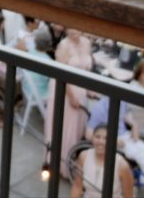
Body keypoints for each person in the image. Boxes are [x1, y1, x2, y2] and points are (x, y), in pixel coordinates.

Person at [46, 28, 92, 178]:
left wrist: (88, 89)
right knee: (65, 129)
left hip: (81, 90)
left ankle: (71, 162)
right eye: (70, 27)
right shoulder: (63, 45)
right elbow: (60, 74)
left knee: (77, 129)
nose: (74, 30)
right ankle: (59, 166)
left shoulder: (86, 43)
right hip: (65, 91)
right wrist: (71, 96)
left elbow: (87, 70)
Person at [70, 124, 134, 198]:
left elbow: (128, 195)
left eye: (106, 138)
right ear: (92, 138)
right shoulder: (84, 156)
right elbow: (77, 186)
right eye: (97, 137)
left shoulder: (122, 165)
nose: (101, 141)